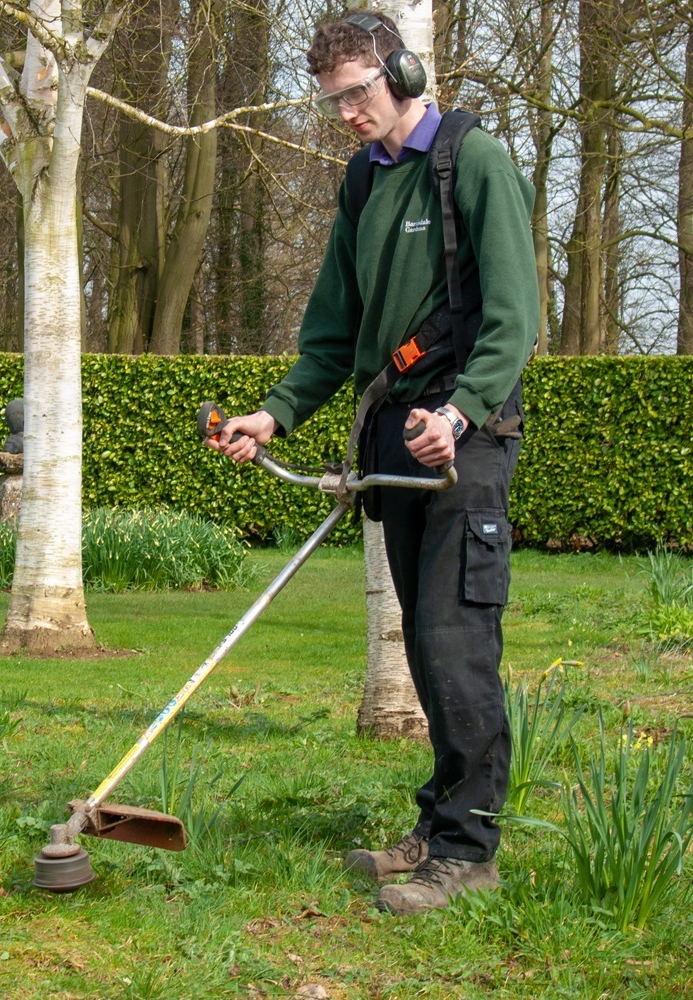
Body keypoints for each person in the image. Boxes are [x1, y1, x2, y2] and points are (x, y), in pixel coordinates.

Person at [205, 9, 539, 915]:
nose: (347, 112)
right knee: (428, 656)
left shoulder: (472, 160)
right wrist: (272, 417)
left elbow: (514, 318)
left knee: (454, 643)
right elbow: (332, 335)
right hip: (393, 437)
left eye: (357, 92)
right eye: (333, 100)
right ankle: (438, 827)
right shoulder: (363, 182)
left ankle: (471, 853)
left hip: (464, 446)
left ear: (403, 70)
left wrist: (462, 414)